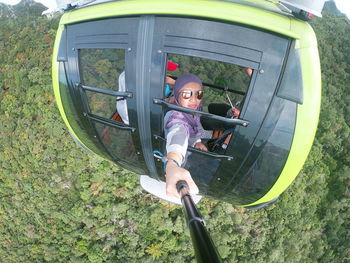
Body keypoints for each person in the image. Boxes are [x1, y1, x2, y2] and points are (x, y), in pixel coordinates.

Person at [164, 73, 207, 198]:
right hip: (183, 157)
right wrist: (172, 164)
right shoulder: (175, 117)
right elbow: (178, 132)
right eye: (187, 94)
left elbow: (195, 126)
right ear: (177, 95)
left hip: (191, 145)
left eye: (199, 94)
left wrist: (197, 141)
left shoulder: (193, 109)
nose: (194, 100)